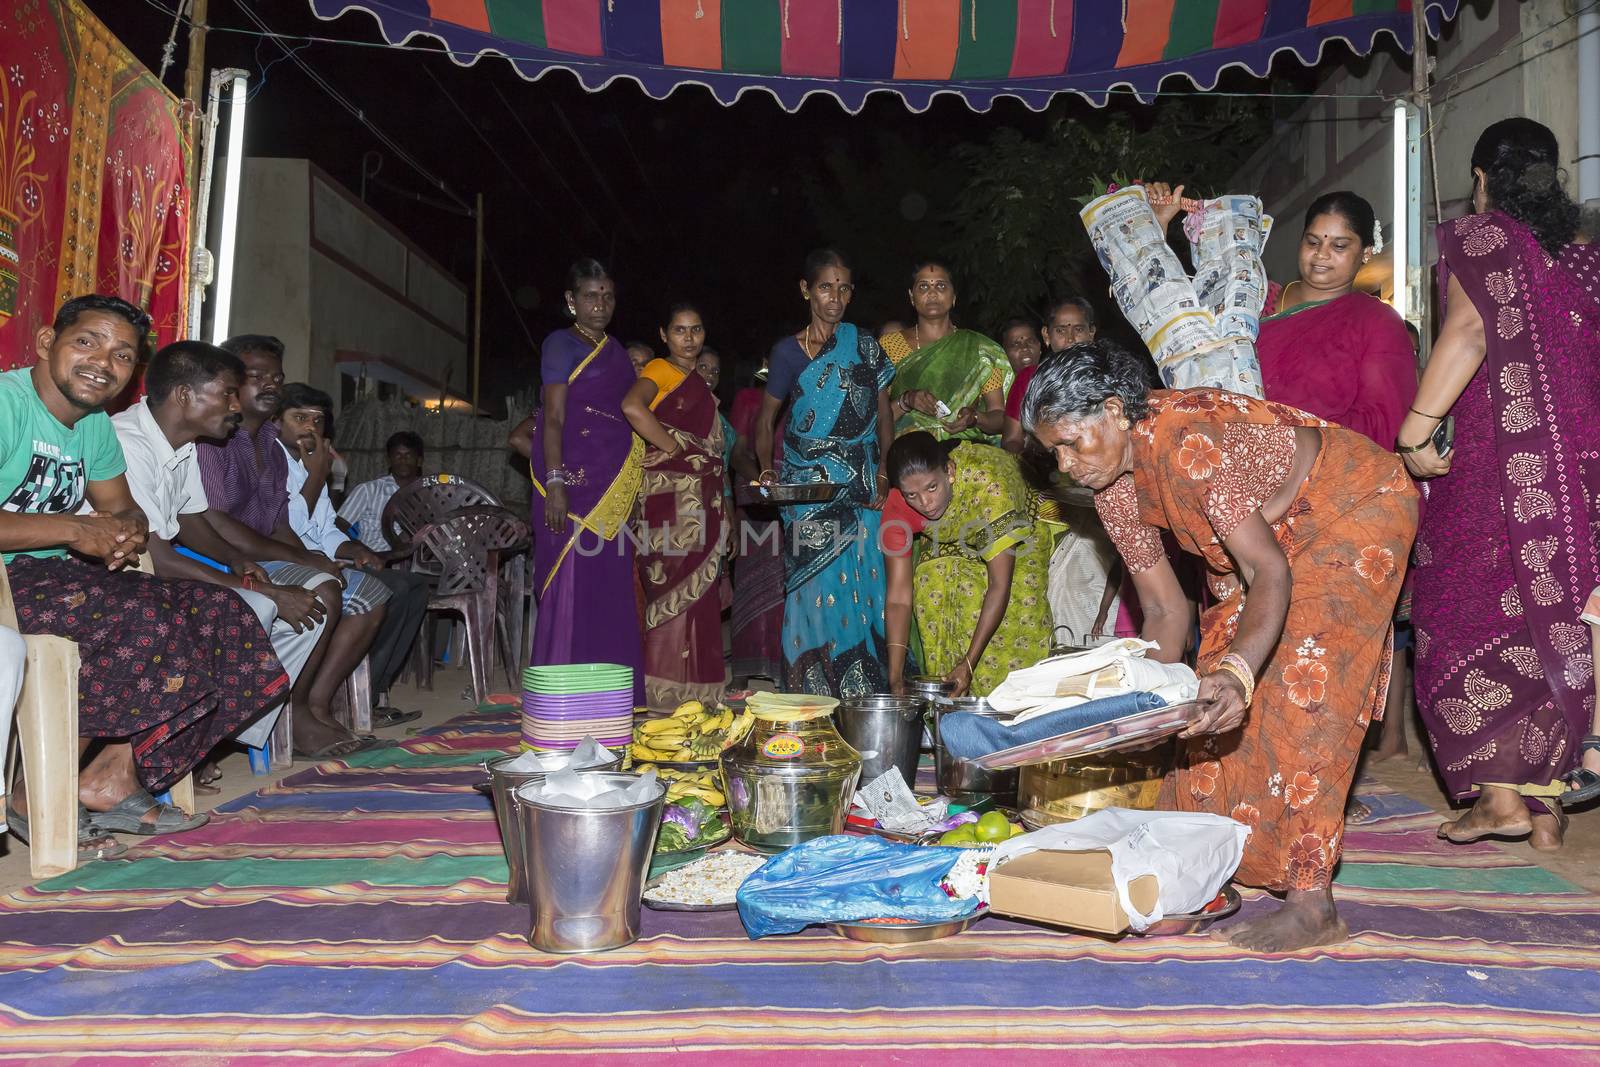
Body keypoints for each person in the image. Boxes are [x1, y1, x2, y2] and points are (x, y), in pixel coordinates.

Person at [1023, 342, 1418, 951]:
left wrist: (1240, 670)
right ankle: (1218, 859)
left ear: (1113, 411)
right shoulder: (1113, 489)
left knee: (1301, 693)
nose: (1066, 465)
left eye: (1072, 443)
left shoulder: (1185, 441)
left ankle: (1316, 907)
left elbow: (1270, 573)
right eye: (1054, 452)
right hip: (1262, 546)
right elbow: (1163, 609)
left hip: (1350, 505)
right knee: (1201, 712)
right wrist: (1141, 709)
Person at [1, 295, 289, 850]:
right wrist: (74, 530)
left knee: (223, 614)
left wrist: (125, 530)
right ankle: (34, 789)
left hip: (54, 577)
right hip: (10, 581)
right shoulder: (8, 405)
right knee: (141, 616)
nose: (102, 363)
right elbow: (76, 527)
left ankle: (113, 773)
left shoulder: (93, 428)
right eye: (86, 342)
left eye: (121, 355)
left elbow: (122, 506)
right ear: (45, 344)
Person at [1400, 118, 1600, 848]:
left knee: (1462, 610)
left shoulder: (1484, 238)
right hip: (1578, 478)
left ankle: (1500, 799)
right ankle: (1544, 808)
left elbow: (1470, 333)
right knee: (1556, 620)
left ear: (1482, 178)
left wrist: (1415, 428)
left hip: (1498, 468)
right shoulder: (1582, 259)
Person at [109, 340, 329, 767]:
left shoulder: (184, 443)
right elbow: (158, 559)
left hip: (156, 566)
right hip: (129, 574)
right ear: (185, 395)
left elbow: (191, 521)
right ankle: (196, 739)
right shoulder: (128, 442)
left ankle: (217, 732)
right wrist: (264, 592)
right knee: (255, 608)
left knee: (300, 609)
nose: (235, 404)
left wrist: (234, 559)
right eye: (227, 392)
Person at [196, 338, 387, 758]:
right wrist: (304, 559)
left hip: (265, 553)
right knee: (323, 587)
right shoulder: (214, 439)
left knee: (367, 589)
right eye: (256, 376)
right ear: (228, 382)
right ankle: (293, 711)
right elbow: (215, 520)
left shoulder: (270, 444)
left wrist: (310, 555)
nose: (270, 384)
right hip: (217, 554)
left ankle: (314, 703)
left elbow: (279, 521)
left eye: (277, 377)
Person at [1156, 188, 1417, 448]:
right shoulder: (1254, 299)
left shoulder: (1376, 322)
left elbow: (1383, 422)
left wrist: (1286, 442)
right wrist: (1157, 226)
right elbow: (1182, 342)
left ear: (1367, 252)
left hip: (1314, 473)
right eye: (1312, 242)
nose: (1321, 254)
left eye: (1339, 246)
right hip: (1214, 451)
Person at [755, 249, 894, 697]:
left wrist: (886, 472)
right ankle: (810, 700)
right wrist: (764, 470)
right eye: (825, 287)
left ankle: (865, 699)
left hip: (861, 484)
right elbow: (765, 420)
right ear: (806, 290)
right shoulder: (785, 352)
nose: (835, 297)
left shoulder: (867, 346)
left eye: (843, 287)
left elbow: (884, 413)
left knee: (865, 589)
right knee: (810, 595)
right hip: (806, 492)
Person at [513, 258, 645, 703]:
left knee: (608, 593)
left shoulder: (617, 353)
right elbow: (552, 417)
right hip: (569, 491)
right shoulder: (560, 345)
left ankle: (610, 700)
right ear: (571, 301)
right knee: (568, 587)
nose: (601, 304)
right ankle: (560, 701)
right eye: (591, 295)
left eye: (608, 295)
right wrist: (553, 483)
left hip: (613, 491)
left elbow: (626, 422)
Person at [271, 385, 396, 753]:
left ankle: (319, 702)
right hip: (281, 555)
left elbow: (324, 528)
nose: (309, 427)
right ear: (276, 422)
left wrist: (354, 548)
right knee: (358, 589)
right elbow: (287, 528)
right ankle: (303, 706)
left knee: (391, 588)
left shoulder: (310, 462)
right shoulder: (275, 461)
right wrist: (315, 476)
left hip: (313, 556)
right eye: (299, 418)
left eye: (317, 420)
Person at [882, 432, 1052, 697]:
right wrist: (894, 679)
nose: (925, 503)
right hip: (951, 530)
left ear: (949, 471)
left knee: (1017, 608)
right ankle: (949, 702)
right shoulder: (899, 507)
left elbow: (999, 584)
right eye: (912, 495)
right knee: (931, 583)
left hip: (1013, 520)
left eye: (931, 488)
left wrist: (969, 664)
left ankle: (1012, 707)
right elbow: (898, 599)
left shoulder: (990, 486)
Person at [620, 303, 728, 708]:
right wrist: (676, 446)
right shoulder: (661, 372)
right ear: (663, 335)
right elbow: (632, 408)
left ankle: (696, 694)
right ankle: (663, 692)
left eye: (696, 330)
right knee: (669, 590)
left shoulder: (698, 382)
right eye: (680, 331)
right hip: (670, 501)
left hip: (703, 501)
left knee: (699, 599)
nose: (689, 338)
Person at [319, 427, 431, 730]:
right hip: (369, 560)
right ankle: (366, 692)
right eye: (398, 455)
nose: (403, 460)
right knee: (399, 587)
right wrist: (363, 551)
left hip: (410, 564)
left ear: (420, 459)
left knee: (418, 587)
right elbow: (339, 524)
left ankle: (378, 685)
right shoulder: (370, 490)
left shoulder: (428, 492)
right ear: (389, 459)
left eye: (409, 455)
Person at [881, 259, 1011, 444]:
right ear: (911, 297)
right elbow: (872, 417)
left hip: (966, 454)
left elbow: (1000, 416)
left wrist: (974, 418)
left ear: (954, 296)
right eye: (923, 287)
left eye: (941, 286)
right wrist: (906, 401)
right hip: (908, 454)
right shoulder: (889, 346)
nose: (932, 292)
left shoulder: (981, 349)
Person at [728, 356, 783, 684]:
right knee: (749, 582)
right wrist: (762, 480)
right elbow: (736, 452)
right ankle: (744, 668)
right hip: (754, 493)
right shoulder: (748, 398)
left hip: (787, 496)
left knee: (782, 584)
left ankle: (778, 666)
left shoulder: (798, 402)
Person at [1004, 299, 1096, 453]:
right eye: (1061, 330)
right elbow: (1012, 439)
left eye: (1078, 329)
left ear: (1091, 332)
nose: (1070, 339)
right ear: (1046, 335)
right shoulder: (1030, 379)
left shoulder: (1105, 374)